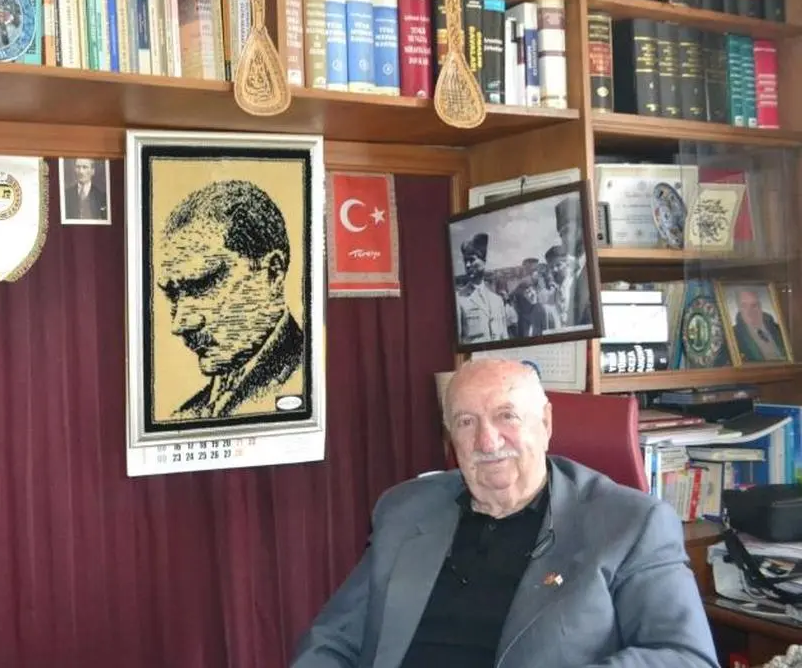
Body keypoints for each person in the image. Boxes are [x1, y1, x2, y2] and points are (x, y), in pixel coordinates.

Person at [290, 358, 717, 668]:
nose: (487, 441)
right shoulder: (405, 510)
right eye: (466, 422)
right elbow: (332, 642)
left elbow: (685, 657)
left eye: (506, 416)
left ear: (545, 423)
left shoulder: (631, 524)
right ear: (450, 437)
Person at [155, 179, 303, 419]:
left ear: (273, 272)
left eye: (202, 285)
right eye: (172, 295)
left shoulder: (307, 379)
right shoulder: (187, 412)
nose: (179, 324)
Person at [456, 233, 508, 344]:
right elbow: (458, 342)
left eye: (472, 260)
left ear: (483, 261)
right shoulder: (459, 299)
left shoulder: (497, 300)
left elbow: (504, 337)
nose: (467, 265)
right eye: (465, 261)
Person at [551, 196, 592, 327]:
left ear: (583, 228)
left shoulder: (593, 268)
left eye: (567, 231)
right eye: (561, 234)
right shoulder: (573, 275)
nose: (563, 240)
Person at [732, 288, 789, 362]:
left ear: (760, 306)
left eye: (754, 305)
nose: (750, 311)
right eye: (744, 306)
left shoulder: (780, 330)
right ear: (739, 308)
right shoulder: (732, 336)